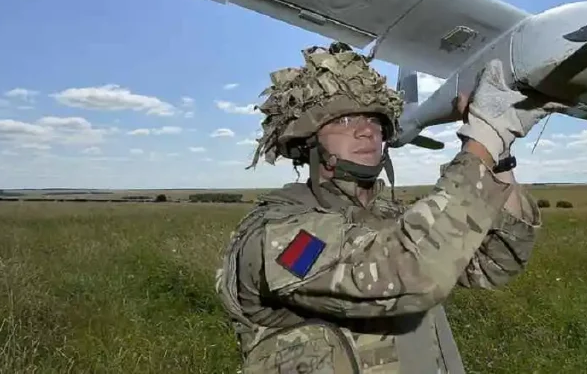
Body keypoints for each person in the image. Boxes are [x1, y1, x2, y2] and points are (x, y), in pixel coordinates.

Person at [215, 41, 564, 373]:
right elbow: (406, 270)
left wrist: (499, 153)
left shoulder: (390, 218)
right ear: (309, 141)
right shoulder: (278, 235)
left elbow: (495, 262)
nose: (366, 131)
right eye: (344, 121)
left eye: (374, 121)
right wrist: (484, 136)